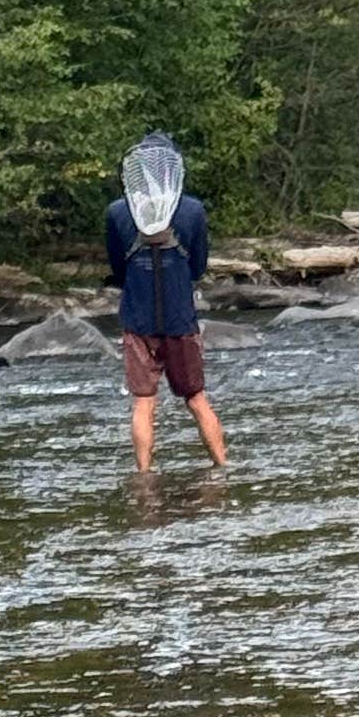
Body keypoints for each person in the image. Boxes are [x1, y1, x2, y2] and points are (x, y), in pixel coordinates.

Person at [105, 132, 228, 473]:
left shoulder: (118, 211)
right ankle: (222, 467)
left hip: (137, 319)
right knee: (197, 399)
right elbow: (198, 266)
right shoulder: (192, 210)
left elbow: (117, 267)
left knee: (143, 404)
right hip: (180, 320)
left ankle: (144, 475)